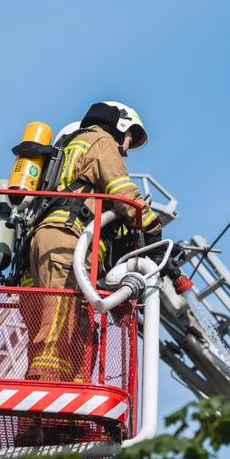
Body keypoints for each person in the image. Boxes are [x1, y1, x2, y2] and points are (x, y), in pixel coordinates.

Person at [22, 101, 162, 384]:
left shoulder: (73, 147)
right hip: (67, 240)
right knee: (57, 329)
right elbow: (123, 193)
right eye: (129, 140)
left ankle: (62, 396)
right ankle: (48, 394)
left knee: (70, 326)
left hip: (51, 244)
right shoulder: (101, 140)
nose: (126, 149)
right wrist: (152, 227)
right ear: (121, 127)